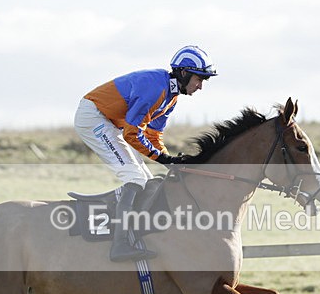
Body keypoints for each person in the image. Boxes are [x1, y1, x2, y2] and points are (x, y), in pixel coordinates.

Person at [74, 45, 218, 262]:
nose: (200, 86)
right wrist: (163, 159)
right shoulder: (155, 88)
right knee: (134, 177)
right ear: (184, 73)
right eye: (199, 79)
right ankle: (119, 245)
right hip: (93, 117)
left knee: (147, 181)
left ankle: (134, 236)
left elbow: (152, 136)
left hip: (107, 121)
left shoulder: (171, 96)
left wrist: (169, 161)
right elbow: (132, 134)